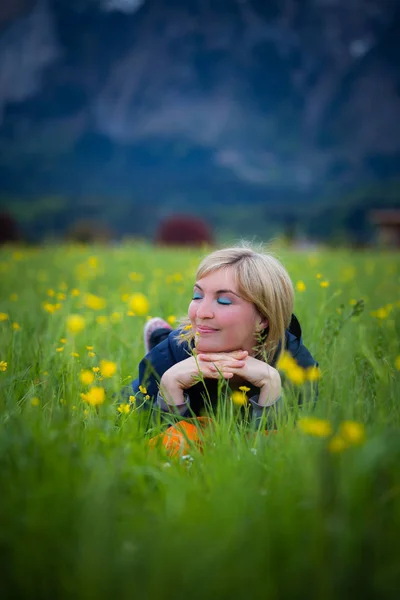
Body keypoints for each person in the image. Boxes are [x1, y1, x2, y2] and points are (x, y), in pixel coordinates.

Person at [124, 245, 318, 440]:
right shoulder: (167, 356)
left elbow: (280, 454)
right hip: (178, 348)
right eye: (198, 296)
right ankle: (160, 335)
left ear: (262, 319)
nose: (201, 312)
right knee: (175, 339)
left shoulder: (297, 366)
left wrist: (271, 388)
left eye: (224, 301)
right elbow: (141, 436)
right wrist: (169, 388)